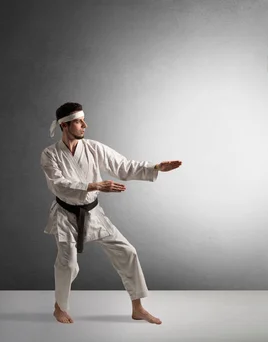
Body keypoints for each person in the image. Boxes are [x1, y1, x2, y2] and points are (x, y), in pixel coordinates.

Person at [40, 102, 182, 324]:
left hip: (93, 213)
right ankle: (60, 307)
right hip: (66, 215)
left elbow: (123, 166)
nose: (85, 125)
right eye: (79, 121)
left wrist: (155, 168)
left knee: (128, 252)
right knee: (67, 264)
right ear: (64, 125)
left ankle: (138, 308)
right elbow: (58, 184)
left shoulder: (93, 148)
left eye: (83, 120)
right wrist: (95, 185)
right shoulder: (50, 154)